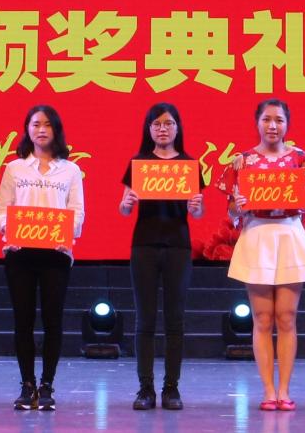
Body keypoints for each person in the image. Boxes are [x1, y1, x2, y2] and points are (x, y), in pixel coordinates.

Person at [219, 98, 305, 412]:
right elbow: (232, 210)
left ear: (287, 124)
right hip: (257, 235)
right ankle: (267, 390)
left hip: (289, 235)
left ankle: (285, 390)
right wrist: (238, 206)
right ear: (257, 123)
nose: (273, 126)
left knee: (287, 317)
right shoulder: (243, 161)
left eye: (279, 120)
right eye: (266, 119)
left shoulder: (301, 159)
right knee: (263, 319)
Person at [0, 104, 87, 411]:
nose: (41, 129)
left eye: (47, 124)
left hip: (56, 255)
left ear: (56, 130)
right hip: (20, 254)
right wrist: (10, 228)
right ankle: (27, 384)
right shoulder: (15, 168)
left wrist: (65, 233)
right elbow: (0, 212)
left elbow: (77, 213)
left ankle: (47, 385)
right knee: (23, 321)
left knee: (52, 321)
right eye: (35, 124)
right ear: (27, 129)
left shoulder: (70, 170)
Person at [118, 102, 203, 411]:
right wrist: (127, 203)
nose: (163, 129)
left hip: (178, 245)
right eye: (156, 124)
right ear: (149, 129)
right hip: (144, 245)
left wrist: (196, 208)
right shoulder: (139, 163)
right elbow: (124, 209)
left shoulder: (189, 165)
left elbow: (198, 211)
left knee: (175, 319)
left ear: (178, 128)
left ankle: (171, 388)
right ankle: (145, 389)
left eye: (168, 124)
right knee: (145, 319)